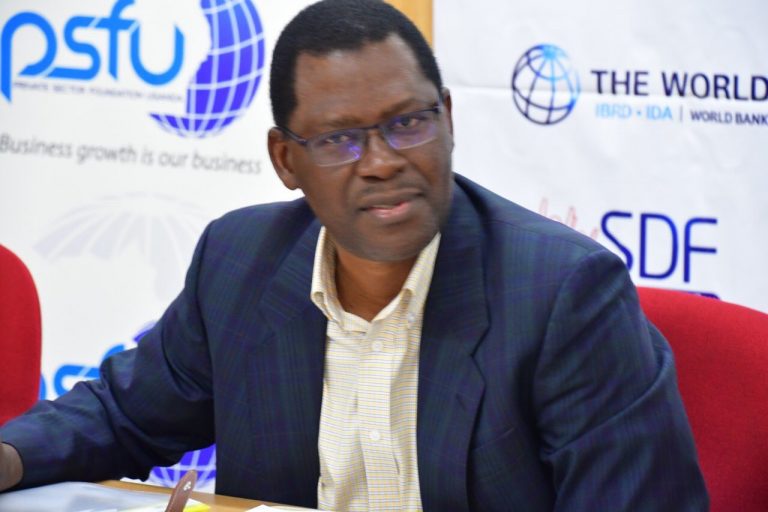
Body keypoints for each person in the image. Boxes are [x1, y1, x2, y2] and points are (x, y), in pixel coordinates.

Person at [0, 0, 708, 510]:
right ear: (286, 160)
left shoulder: (564, 295)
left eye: (408, 122)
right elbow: (124, 415)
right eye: (339, 138)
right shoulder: (239, 263)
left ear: (448, 118)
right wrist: (8, 458)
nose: (382, 161)